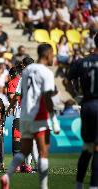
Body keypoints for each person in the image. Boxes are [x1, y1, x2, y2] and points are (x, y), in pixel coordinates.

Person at [0, 43, 60, 189]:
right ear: (47, 54)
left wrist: (12, 108)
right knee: (43, 151)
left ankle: (7, 176)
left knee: (26, 149)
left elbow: (18, 94)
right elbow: (47, 97)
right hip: (38, 114)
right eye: (52, 54)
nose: (53, 57)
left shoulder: (25, 72)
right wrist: (53, 119)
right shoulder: (46, 73)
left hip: (24, 114)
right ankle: (43, 186)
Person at [68, 33, 98, 189]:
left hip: (86, 105)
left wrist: (76, 96)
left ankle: (78, 185)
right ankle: (94, 186)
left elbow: (67, 80)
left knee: (87, 146)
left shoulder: (82, 61)